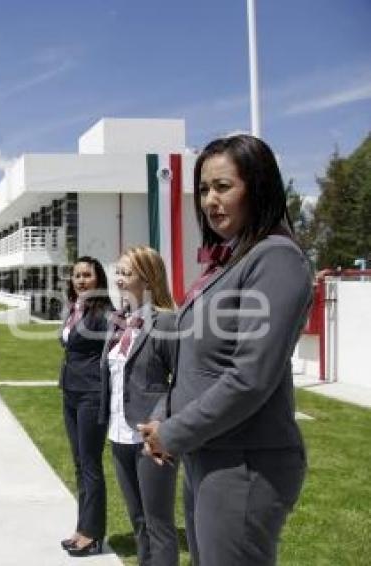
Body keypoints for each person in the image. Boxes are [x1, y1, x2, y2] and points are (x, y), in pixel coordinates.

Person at [138, 135, 312, 565]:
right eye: (203, 189)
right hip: (208, 454)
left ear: (258, 186)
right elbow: (195, 362)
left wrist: (172, 434)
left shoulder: (276, 259)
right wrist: (164, 416)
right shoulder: (229, 262)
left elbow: (249, 378)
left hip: (244, 464)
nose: (210, 201)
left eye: (223, 187)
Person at [100, 246, 178, 566]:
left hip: (151, 437)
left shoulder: (167, 322)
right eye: (117, 271)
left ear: (147, 278)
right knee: (138, 521)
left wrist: (161, 421)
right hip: (119, 434)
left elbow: (183, 381)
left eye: (126, 273)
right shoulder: (120, 321)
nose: (119, 278)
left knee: (158, 524)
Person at [59, 256, 114, 557]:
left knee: (91, 464)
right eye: (77, 275)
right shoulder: (73, 309)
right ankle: (82, 527)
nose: (80, 280)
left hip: (91, 394)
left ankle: (93, 535)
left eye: (87, 276)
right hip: (70, 393)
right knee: (80, 464)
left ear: (98, 280)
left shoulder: (105, 312)